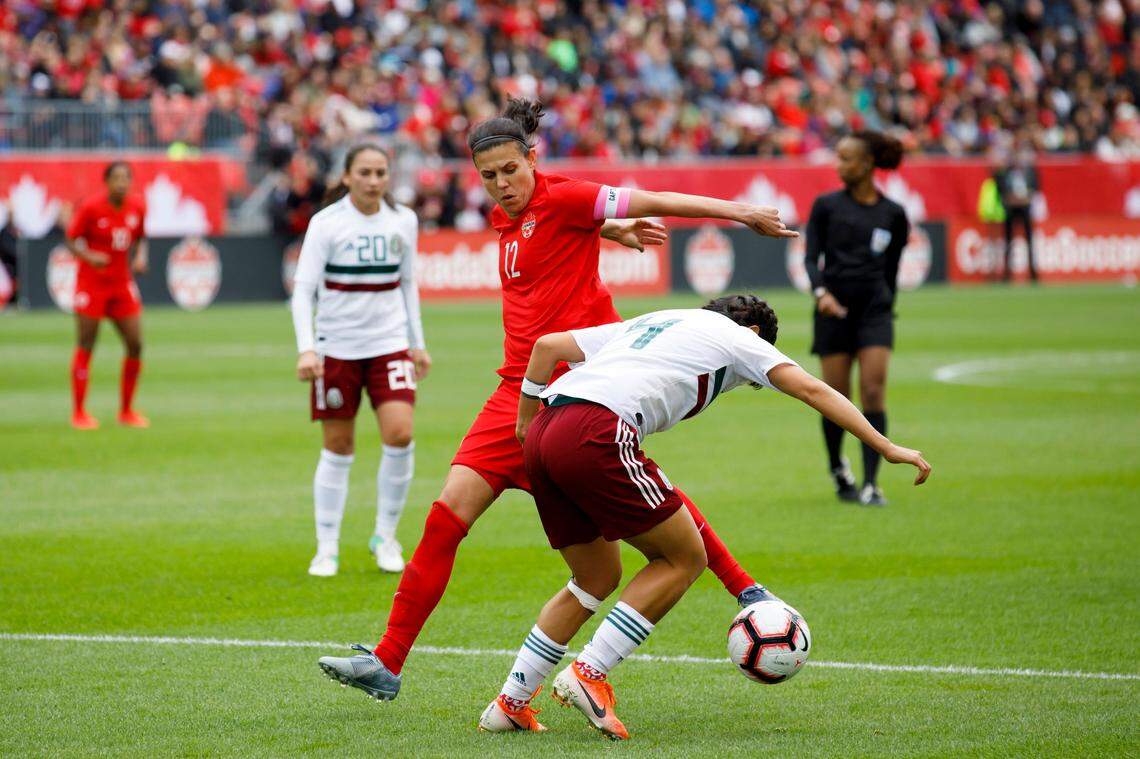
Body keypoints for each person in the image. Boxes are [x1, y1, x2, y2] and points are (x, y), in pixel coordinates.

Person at [316, 98, 798, 701]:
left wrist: (740, 212)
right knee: (445, 519)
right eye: (488, 176)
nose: (501, 185)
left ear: (530, 158)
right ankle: (387, 662)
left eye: (510, 171)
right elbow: (558, 239)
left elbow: (649, 198)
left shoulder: (567, 196)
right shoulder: (509, 220)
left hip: (582, 391)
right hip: (513, 393)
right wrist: (609, 231)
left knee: (651, 505)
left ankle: (745, 588)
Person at [476, 296, 930, 738]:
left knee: (594, 577)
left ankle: (509, 705)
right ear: (754, 334)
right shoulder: (737, 337)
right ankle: (588, 672)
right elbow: (812, 387)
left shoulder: (660, 321)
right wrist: (885, 446)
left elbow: (547, 348)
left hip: (548, 429)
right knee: (682, 560)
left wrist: (525, 421)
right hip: (597, 430)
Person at [291, 144, 430, 576]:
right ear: (348, 176)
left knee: (401, 434)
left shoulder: (403, 220)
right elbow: (302, 290)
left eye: (380, 173)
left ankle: (385, 536)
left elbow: (407, 284)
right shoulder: (326, 223)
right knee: (338, 446)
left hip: (388, 344)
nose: (374, 180)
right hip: (338, 349)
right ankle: (326, 546)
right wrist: (307, 347)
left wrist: (416, 341)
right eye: (365, 172)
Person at [805, 131, 910, 506]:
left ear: (867, 165)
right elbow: (810, 259)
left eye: (846, 158)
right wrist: (822, 294)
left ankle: (871, 483)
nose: (839, 165)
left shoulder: (893, 213)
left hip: (874, 314)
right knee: (836, 397)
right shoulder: (826, 206)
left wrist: (885, 306)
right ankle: (838, 467)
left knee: (873, 390)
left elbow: (893, 269)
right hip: (832, 311)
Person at [65, 161, 149, 430]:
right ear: (107, 181)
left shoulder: (137, 206)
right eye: (117, 178)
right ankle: (79, 412)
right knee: (87, 344)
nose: (122, 183)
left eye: (126, 178)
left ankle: (126, 411)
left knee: (135, 343)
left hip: (121, 284)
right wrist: (89, 256)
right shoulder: (91, 207)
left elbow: (140, 236)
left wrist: (140, 257)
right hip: (92, 284)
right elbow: (70, 238)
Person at [993, 148, 1039, 282]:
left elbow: (1035, 188)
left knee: (1029, 241)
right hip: (1010, 210)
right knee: (1008, 241)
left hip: (1025, 209)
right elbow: (999, 190)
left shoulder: (1029, 172)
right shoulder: (1004, 173)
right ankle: (1007, 273)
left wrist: (1027, 198)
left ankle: (1033, 272)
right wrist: (1009, 199)